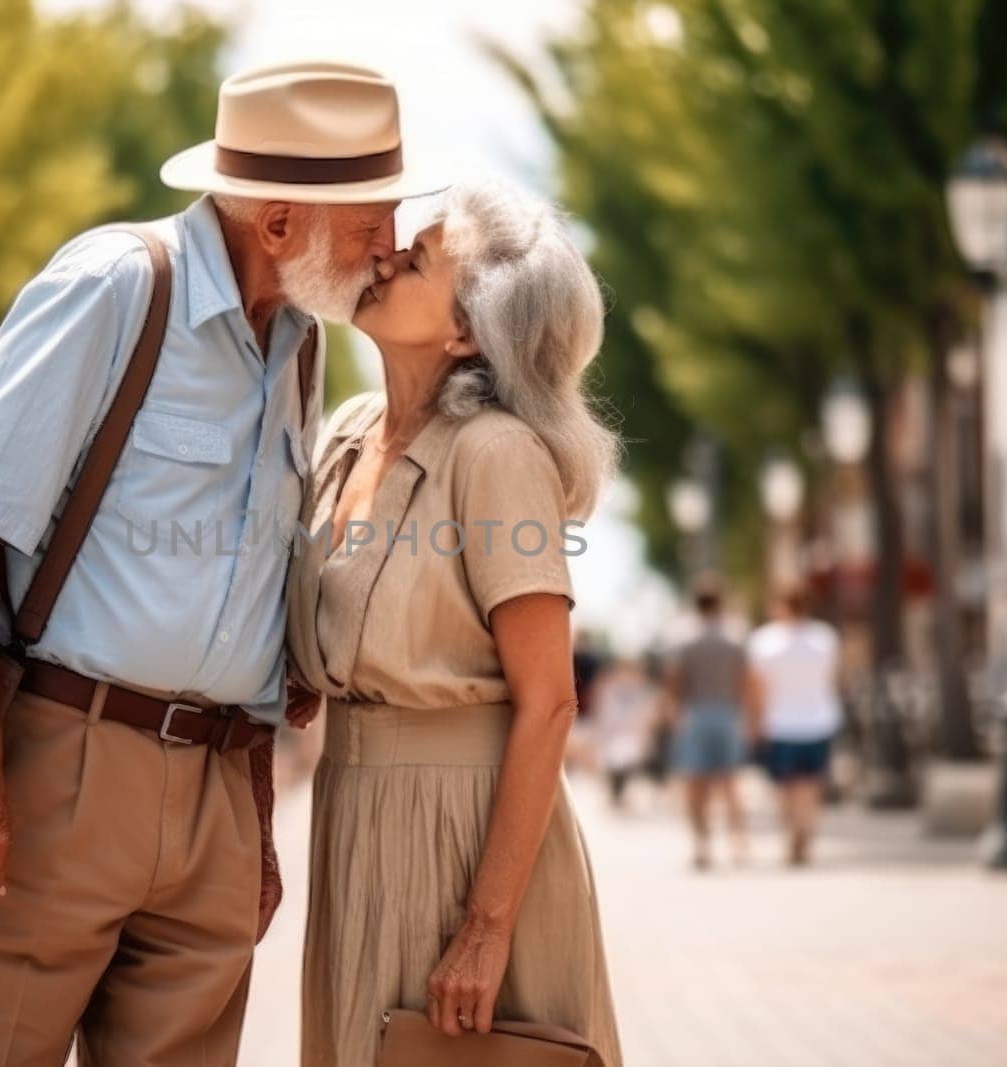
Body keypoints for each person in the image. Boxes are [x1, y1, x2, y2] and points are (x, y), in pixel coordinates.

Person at [0, 62, 443, 1064]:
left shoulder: (300, 341)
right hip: (57, 771)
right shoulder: (115, 284)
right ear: (277, 223)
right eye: (371, 220)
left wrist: (254, 814)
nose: (391, 246)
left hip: (219, 792)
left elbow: (250, 589)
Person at [285, 180, 623, 1067]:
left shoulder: (496, 453)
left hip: (468, 835)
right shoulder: (350, 433)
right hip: (351, 814)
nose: (386, 255)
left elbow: (550, 701)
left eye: (420, 257)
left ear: (468, 330)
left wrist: (487, 926)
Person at [662, 575, 755, 869]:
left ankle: (702, 844)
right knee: (730, 782)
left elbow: (674, 681)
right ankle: (739, 841)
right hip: (728, 713)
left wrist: (673, 711)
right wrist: (749, 716)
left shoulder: (684, 639)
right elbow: (746, 680)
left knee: (695, 784)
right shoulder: (736, 637)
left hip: (695, 714)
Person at [748, 586, 842, 866]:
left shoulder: (764, 641)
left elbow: (757, 688)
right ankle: (806, 835)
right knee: (811, 786)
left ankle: (792, 835)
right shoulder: (825, 637)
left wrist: (754, 723)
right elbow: (833, 676)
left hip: (780, 723)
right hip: (819, 719)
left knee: (784, 788)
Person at [587, 655, 659, 809]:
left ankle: (619, 790)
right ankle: (616, 790)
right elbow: (603, 716)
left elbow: (646, 718)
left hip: (631, 736)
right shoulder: (609, 690)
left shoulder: (643, 692)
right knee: (615, 757)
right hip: (613, 736)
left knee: (625, 755)